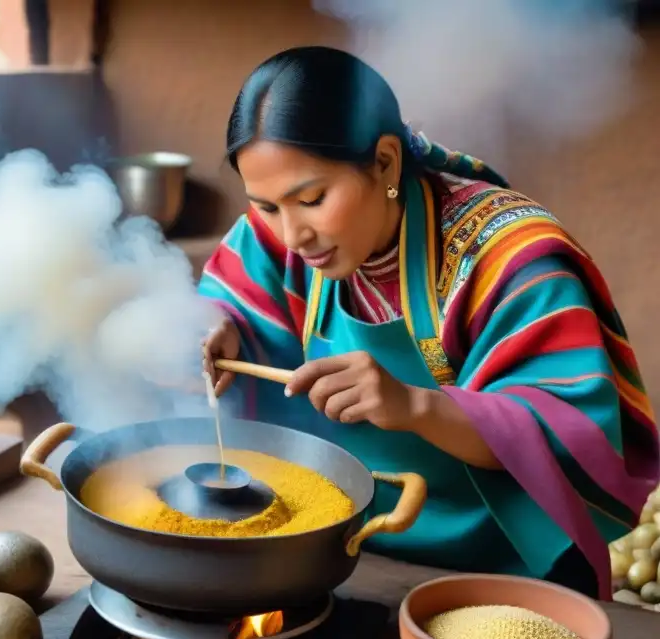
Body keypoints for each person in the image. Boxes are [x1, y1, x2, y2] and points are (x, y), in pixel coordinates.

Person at [199, 45, 659, 600]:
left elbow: (567, 430)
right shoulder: (277, 238)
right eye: (267, 207)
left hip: (496, 569)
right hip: (335, 545)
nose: (292, 235)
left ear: (386, 162)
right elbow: (233, 307)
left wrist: (415, 405)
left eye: (313, 199)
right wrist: (216, 327)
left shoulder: (511, 258)